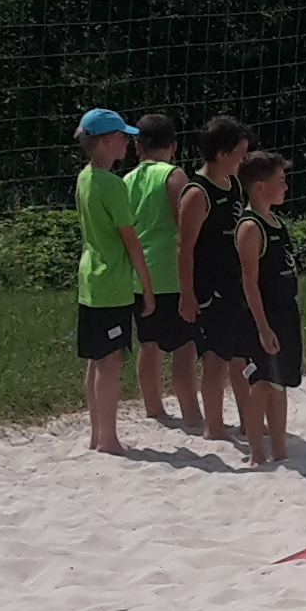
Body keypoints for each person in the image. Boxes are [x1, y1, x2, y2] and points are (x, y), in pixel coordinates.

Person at [71, 108, 156, 453]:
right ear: (107, 140)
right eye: (123, 136)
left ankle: (98, 435)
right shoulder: (112, 184)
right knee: (111, 361)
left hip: (90, 278)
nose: (128, 142)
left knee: (97, 359)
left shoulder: (84, 177)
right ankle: (108, 439)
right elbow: (131, 242)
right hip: (113, 281)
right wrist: (147, 288)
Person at [183, 113, 254, 442]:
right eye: (240, 152)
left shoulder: (233, 183)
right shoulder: (197, 193)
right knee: (216, 356)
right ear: (222, 153)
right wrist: (187, 294)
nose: (244, 158)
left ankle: (247, 421)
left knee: (240, 355)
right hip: (210, 286)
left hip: (234, 281)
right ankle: (213, 426)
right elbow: (184, 249)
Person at [232, 148, 303, 468]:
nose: (286, 186)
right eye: (281, 180)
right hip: (263, 317)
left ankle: (280, 448)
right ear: (260, 186)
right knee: (260, 383)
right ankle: (257, 453)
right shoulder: (250, 227)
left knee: (279, 382)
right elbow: (249, 283)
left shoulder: (275, 221)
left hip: (285, 313)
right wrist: (262, 328)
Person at [126, 112, 195, 424]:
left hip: (139, 274)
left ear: (137, 147)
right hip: (170, 271)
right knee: (185, 345)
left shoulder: (126, 181)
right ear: (174, 146)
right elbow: (187, 224)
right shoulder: (174, 176)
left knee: (148, 342)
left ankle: (153, 407)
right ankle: (191, 411)